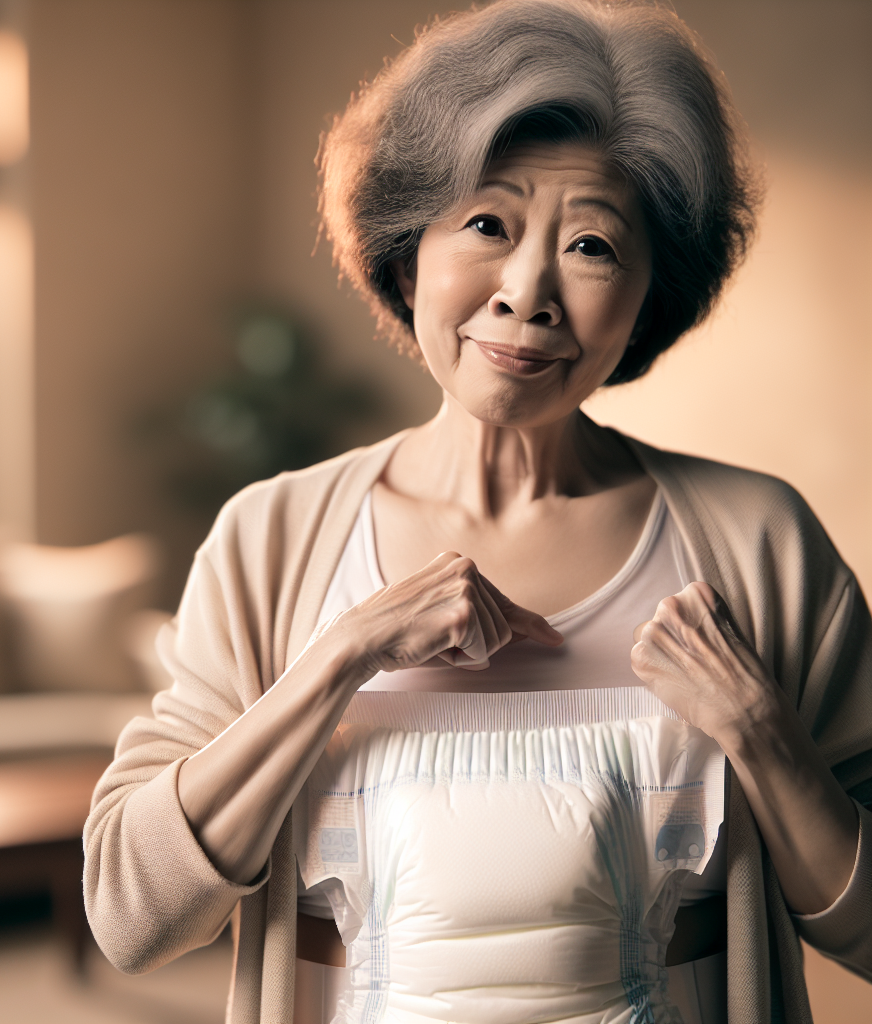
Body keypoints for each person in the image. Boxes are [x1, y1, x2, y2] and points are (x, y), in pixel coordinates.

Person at [83, 2, 872, 1022]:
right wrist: (339, 655)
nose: (528, 291)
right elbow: (128, 914)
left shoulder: (759, 542)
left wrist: (763, 733)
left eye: (591, 245)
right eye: (487, 224)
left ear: (647, 294)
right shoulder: (271, 538)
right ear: (408, 251)